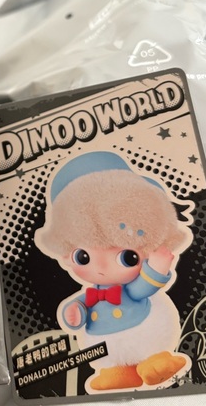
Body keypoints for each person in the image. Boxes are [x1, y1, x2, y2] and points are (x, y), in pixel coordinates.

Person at [35, 151, 193, 392]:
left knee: (151, 347)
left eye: (127, 257)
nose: (100, 268)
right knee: (107, 359)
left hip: (144, 327)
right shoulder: (91, 294)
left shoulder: (130, 288)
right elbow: (77, 309)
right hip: (104, 339)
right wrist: (74, 313)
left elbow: (141, 289)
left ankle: (155, 360)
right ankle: (116, 371)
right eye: (83, 257)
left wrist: (157, 268)